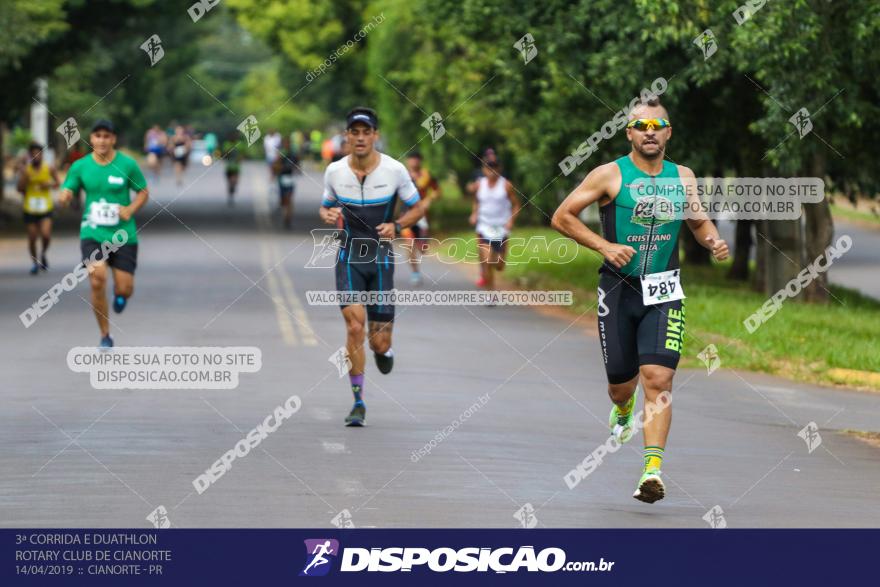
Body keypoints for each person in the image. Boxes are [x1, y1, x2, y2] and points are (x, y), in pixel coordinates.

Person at [550, 98, 729, 503]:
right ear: (629, 132)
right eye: (641, 125)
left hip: (665, 290)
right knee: (620, 384)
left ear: (668, 132)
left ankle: (652, 470)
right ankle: (623, 411)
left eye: (658, 124)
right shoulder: (609, 175)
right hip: (617, 289)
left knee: (659, 379)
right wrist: (604, 246)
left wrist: (713, 240)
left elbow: (698, 220)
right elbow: (562, 216)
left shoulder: (683, 177)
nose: (650, 131)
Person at [318, 107, 426, 426]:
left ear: (375, 136)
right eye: (355, 132)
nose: (361, 137)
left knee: (380, 341)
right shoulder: (335, 172)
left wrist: (398, 223)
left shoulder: (394, 170)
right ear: (347, 136)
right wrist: (325, 214)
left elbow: (417, 208)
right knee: (354, 327)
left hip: (380, 261)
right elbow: (326, 207)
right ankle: (358, 401)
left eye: (367, 132)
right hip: (349, 257)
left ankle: (382, 352)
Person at [59, 120, 149, 349]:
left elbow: (143, 191)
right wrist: (65, 195)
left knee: (124, 288)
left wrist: (130, 209)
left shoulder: (127, 165)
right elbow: (69, 186)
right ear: (92, 139)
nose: (102, 140)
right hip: (93, 232)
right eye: (97, 135)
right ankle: (105, 334)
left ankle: (121, 297)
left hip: (123, 235)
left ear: (113, 139)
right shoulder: (80, 166)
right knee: (97, 279)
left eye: (106, 136)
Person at [468, 160, 520, 290]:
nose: (491, 171)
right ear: (484, 170)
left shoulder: (506, 185)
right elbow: (476, 201)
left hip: (501, 228)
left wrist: (511, 221)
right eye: (488, 168)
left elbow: (516, 205)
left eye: (494, 168)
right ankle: (490, 293)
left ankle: (497, 258)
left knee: (499, 266)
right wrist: (474, 214)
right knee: (487, 260)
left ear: (499, 169)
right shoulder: (480, 185)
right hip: (484, 226)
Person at [18, 143, 59, 274]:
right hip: (30, 208)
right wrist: (24, 178)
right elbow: (19, 188)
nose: (36, 157)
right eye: (33, 154)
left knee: (46, 235)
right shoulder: (26, 170)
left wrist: (49, 184)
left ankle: (43, 253)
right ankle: (35, 263)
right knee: (32, 237)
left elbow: (58, 183)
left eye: (39, 154)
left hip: (45, 207)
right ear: (30, 155)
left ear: (42, 155)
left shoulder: (49, 168)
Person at [402, 152, 441, 286]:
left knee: (423, 248)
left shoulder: (427, 175)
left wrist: (429, 199)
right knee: (408, 244)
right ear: (408, 161)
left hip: (422, 216)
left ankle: (421, 244)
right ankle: (415, 273)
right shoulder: (402, 176)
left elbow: (437, 191)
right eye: (412, 159)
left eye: (416, 159)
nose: (414, 162)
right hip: (406, 214)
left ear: (420, 161)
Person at [273, 135, 300, 228]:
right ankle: (284, 210)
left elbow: (298, 165)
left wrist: (297, 169)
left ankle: (288, 218)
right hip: (282, 177)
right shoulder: (281, 153)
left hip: (290, 178)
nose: (287, 144)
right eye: (285, 143)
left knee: (289, 199)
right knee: (283, 200)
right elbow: (275, 165)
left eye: (288, 143)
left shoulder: (294, 153)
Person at [222, 134, 241, 206]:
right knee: (230, 182)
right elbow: (224, 154)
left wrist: (240, 158)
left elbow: (243, 154)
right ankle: (230, 196)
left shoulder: (239, 145)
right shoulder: (226, 144)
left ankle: (232, 193)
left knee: (234, 182)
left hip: (236, 167)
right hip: (229, 167)